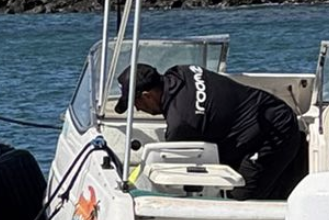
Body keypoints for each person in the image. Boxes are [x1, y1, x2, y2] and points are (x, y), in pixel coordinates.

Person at [116, 63, 307, 201]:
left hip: (273, 134)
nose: (139, 110)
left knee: (240, 198)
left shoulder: (182, 123)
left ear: (147, 96)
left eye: (136, 103)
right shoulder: (182, 71)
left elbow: (181, 173)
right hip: (269, 109)